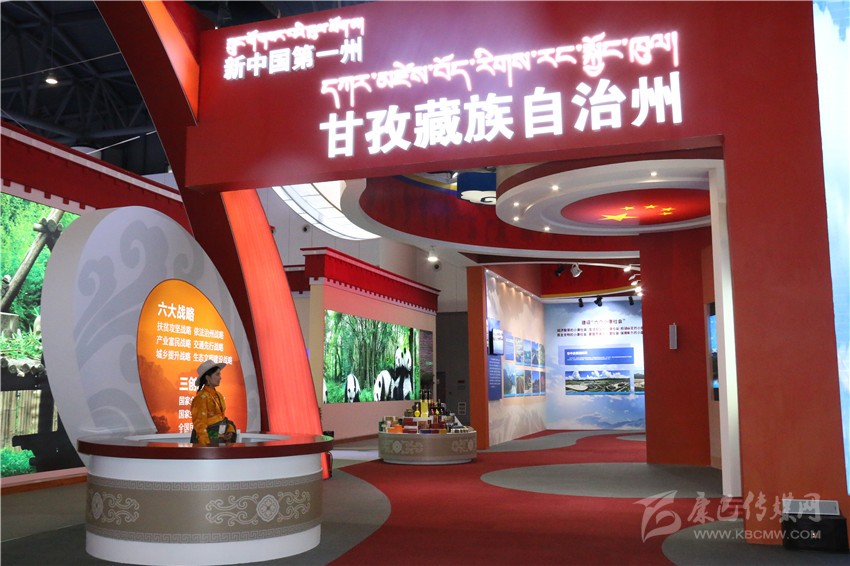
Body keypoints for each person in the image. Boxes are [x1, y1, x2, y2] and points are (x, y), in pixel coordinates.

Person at [190, 359, 236, 445]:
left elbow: (222, 419)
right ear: (208, 378)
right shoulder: (201, 398)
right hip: (208, 443)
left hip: (219, 441)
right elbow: (200, 425)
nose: (220, 377)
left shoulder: (219, 395)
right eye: (217, 374)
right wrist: (205, 446)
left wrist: (229, 431)